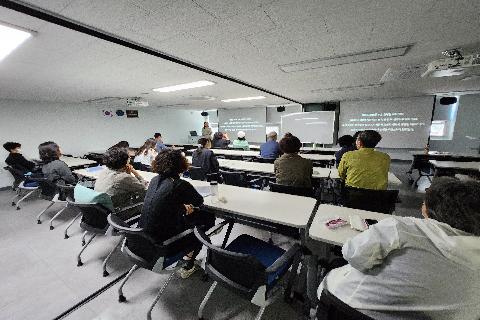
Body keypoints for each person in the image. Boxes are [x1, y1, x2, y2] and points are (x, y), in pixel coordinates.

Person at [318, 177, 480, 320]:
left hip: (345, 308)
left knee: (336, 264)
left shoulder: (401, 227)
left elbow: (353, 254)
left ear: (429, 208)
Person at [138, 149, 215, 279]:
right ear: (181, 164)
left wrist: (179, 205)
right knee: (199, 229)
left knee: (189, 216)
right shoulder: (180, 185)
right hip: (163, 246)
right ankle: (187, 265)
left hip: (142, 239)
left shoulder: (154, 180)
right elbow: (199, 201)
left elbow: (165, 202)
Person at [94, 148, 147, 219]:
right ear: (125, 161)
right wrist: (135, 172)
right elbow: (143, 187)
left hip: (103, 209)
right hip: (118, 212)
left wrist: (127, 174)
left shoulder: (104, 171)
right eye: (129, 157)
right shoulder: (124, 177)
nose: (130, 158)